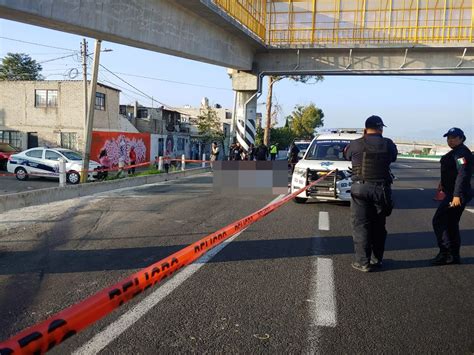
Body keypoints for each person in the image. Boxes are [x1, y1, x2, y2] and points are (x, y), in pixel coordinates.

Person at [344, 115, 398, 272]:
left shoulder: (355, 144)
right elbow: (393, 158)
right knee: (379, 225)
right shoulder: (388, 144)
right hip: (381, 190)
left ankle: (363, 262)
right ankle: (376, 259)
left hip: (360, 188)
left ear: (365, 128)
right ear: (381, 128)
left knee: (361, 225)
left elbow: (346, 155)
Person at [431, 127, 473, 265]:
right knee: (451, 224)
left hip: (457, 194)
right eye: (448, 138)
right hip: (454, 192)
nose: (450, 140)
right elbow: (452, 171)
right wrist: (442, 183)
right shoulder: (456, 152)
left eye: (454, 137)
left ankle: (446, 253)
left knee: (440, 221)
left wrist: (456, 196)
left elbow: (463, 174)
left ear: (461, 138)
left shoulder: (461, 154)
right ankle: (453, 255)